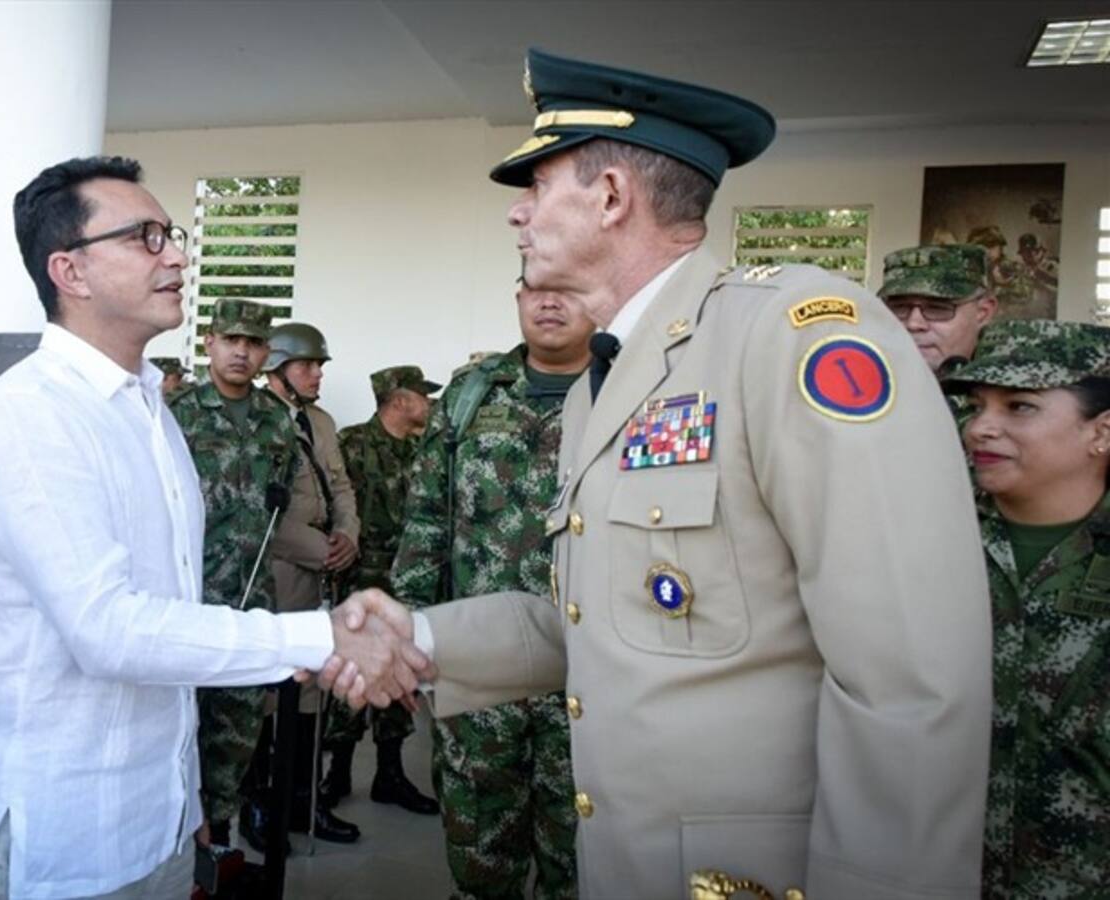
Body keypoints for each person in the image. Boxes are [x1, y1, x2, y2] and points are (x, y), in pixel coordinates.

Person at [325, 49, 992, 900]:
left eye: (535, 187)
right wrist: (416, 639)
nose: (517, 217)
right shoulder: (600, 388)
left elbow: (911, 684)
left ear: (610, 196)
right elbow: (596, 624)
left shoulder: (790, 334)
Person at [0, 156, 426, 900]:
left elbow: (175, 607)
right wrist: (319, 634)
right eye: (145, 237)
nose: (177, 254)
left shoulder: (147, 411)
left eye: (171, 233)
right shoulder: (31, 415)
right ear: (70, 271)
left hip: (159, 820)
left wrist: (188, 794)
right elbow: (107, 631)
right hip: (65, 839)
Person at [393, 286, 592, 900]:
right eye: (536, 288)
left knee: (583, 852)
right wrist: (406, 636)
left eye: (568, 289)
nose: (549, 303)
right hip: (481, 662)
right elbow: (426, 517)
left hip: (589, 669)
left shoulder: (631, 387)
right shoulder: (471, 394)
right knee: (480, 849)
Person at [940, 320, 1110, 899]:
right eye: (977, 405)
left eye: (1020, 407)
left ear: (1101, 431)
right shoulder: (929, 536)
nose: (981, 427)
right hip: (939, 875)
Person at [168, 298, 311, 851]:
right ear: (209, 343)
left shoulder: (277, 418)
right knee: (179, 720)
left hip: (251, 596)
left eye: (253, 344)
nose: (241, 352)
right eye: (231, 340)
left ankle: (220, 830)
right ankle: (177, 836)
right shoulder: (178, 413)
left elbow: (285, 481)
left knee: (238, 723)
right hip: (187, 597)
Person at [239, 321, 363, 847]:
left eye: (319, 366)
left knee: (311, 693)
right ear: (277, 371)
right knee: (269, 696)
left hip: (322, 573)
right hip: (279, 573)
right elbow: (258, 511)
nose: (316, 375)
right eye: (307, 366)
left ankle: (302, 803)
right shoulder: (256, 422)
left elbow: (341, 486)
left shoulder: (322, 421)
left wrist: (348, 536)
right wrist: (323, 552)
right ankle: (257, 807)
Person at [320, 366, 441, 817]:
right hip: (358, 581)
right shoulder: (352, 444)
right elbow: (335, 503)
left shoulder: (423, 449)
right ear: (398, 401)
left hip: (406, 579)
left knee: (400, 673)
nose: (428, 404)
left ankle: (390, 776)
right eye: (421, 396)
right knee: (350, 672)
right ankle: (338, 775)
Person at [877, 244, 997, 375]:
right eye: (899, 307)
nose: (913, 324)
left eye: (937, 308)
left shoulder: (1008, 387)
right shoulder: (861, 382)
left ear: (983, 313)